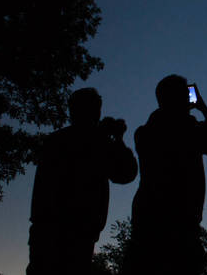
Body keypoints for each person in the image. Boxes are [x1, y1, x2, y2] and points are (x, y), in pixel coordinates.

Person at [27, 88, 138, 275]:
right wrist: (117, 139)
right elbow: (126, 174)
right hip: (77, 234)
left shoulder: (55, 141)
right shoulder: (96, 142)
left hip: (45, 231)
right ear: (96, 111)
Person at [126, 75, 207, 275]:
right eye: (184, 94)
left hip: (147, 222)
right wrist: (203, 108)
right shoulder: (189, 129)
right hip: (180, 227)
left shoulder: (144, 131)